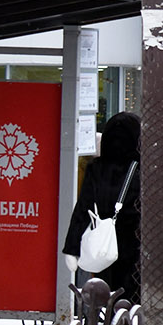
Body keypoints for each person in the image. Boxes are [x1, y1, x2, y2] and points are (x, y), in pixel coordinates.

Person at [62, 111, 142, 304]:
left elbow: (83, 209)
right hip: (136, 245)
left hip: (103, 244)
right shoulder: (142, 170)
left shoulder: (96, 168)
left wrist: (72, 248)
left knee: (106, 292)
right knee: (132, 296)